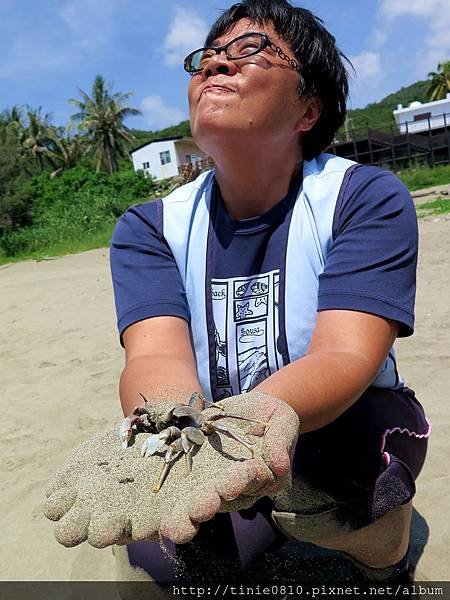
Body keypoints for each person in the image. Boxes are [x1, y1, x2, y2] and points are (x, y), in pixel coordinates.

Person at [110, 0, 430, 587]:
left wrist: (258, 420)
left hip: (333, 427)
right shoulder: (149, 226)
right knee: (165, 553)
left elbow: (345, 354)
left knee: (345, 466)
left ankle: (383, 561)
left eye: (249, 51)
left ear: (308, 109)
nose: (215, 65)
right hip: (215, 436)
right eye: (206, 57)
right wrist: (170, 434)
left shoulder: (363, 199)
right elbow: (154, 355)